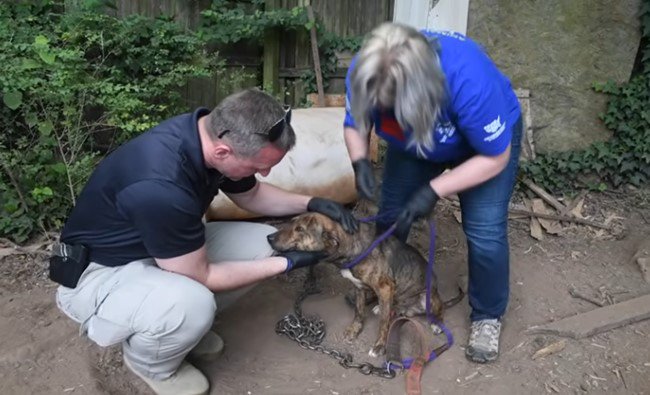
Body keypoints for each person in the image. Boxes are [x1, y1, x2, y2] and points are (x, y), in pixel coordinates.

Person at [53, 88, 358, 395]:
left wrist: (314, 202)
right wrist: (287, 262)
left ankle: (179, 328)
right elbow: (202, 275)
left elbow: (252, 196)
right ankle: (152, 363)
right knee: (192, 303)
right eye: (258, 167)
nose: (264, 172)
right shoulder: (161, 185)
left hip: (156, 249)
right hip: (101, 273)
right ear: (222, 152)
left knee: (262, 244)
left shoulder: (208, 135)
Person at [343, 23, 522, 363]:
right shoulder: (366, 70)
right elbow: (356, 122)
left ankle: (487, 315)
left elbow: (495, 157)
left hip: (480, 149)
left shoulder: (471, 83)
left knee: (484, 230)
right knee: (391, 213)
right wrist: (360, 162)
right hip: (413, 143)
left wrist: (434, 189)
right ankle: (381, 286)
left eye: (393, 107)